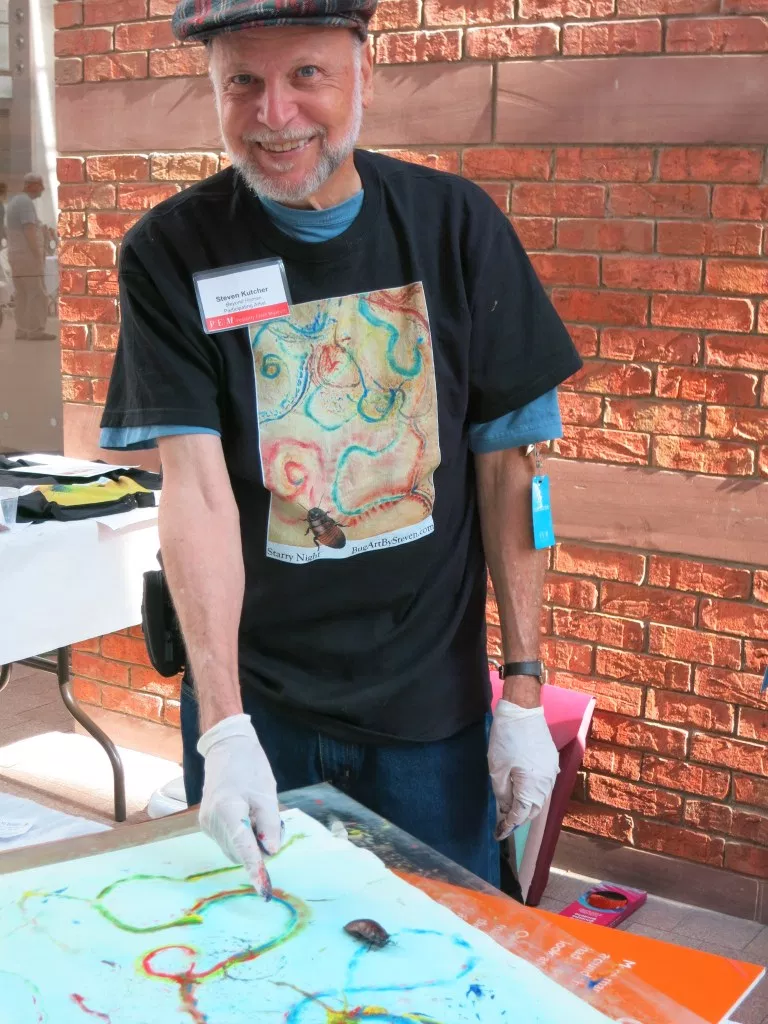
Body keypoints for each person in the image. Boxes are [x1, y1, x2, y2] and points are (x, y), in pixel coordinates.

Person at [100, 0, 582, 898]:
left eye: (306, 75)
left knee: (444, 955)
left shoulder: (455, 227)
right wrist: (224, 728)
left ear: (366, 72)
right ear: (212, 88)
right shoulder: (171, 252)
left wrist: (522, 690)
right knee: (258, 959)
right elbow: (196, 491)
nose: (274, 114)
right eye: (243, 80)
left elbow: (508, 467)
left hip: (427, 713)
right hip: (258, 711)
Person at [6, 173, 55, 341]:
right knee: (37, 293)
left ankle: (22, 329)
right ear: (31, 185)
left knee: (22, 293)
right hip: (26, 256)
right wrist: (36, 254)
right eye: (40, 185)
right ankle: (35, 330)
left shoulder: (15, 201)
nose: (42, 188)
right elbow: (29, 230)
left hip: (15, 255)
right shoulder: (25, 203)